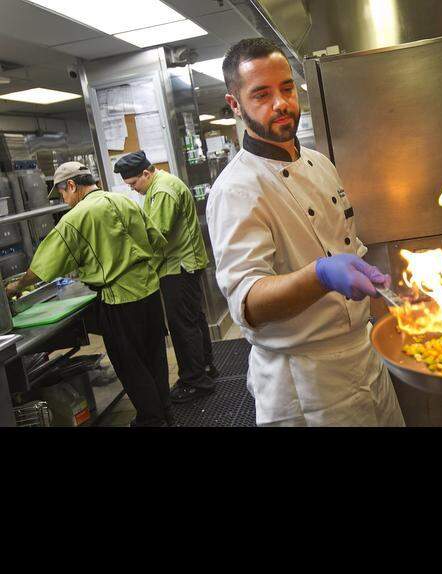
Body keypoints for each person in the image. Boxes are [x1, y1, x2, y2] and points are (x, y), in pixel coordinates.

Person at [205, 38, 405, 427]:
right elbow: (247, 303)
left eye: (286, 88)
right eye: (261, 94)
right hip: (305, 383)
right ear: (235, 105)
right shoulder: (237, 189)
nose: (280, 103)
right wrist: (320, 275)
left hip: (363, 356)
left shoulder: (319, 163)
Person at [5, 162, 172, 426]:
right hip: (149, 292)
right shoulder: (123, 200)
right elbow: (156, 239)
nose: (64, 200)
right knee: (155, 357)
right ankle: (164, 413)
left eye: (62, 193)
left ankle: (152, 421)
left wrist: (16, 287)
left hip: (120, 299)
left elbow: (44, 266)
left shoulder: (76, 217)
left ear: (71, 185)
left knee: (131, 364)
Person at [114, 151, 218, 403]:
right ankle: (204, 368)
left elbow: (157, 235)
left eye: (134, 184)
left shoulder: (162, 191)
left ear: (146, 173)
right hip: (181, 264)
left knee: (182, 325)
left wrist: (128, 256)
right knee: (193, 319)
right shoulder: (160, 186)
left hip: (177, 267)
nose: (133, 190)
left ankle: (196, 382)